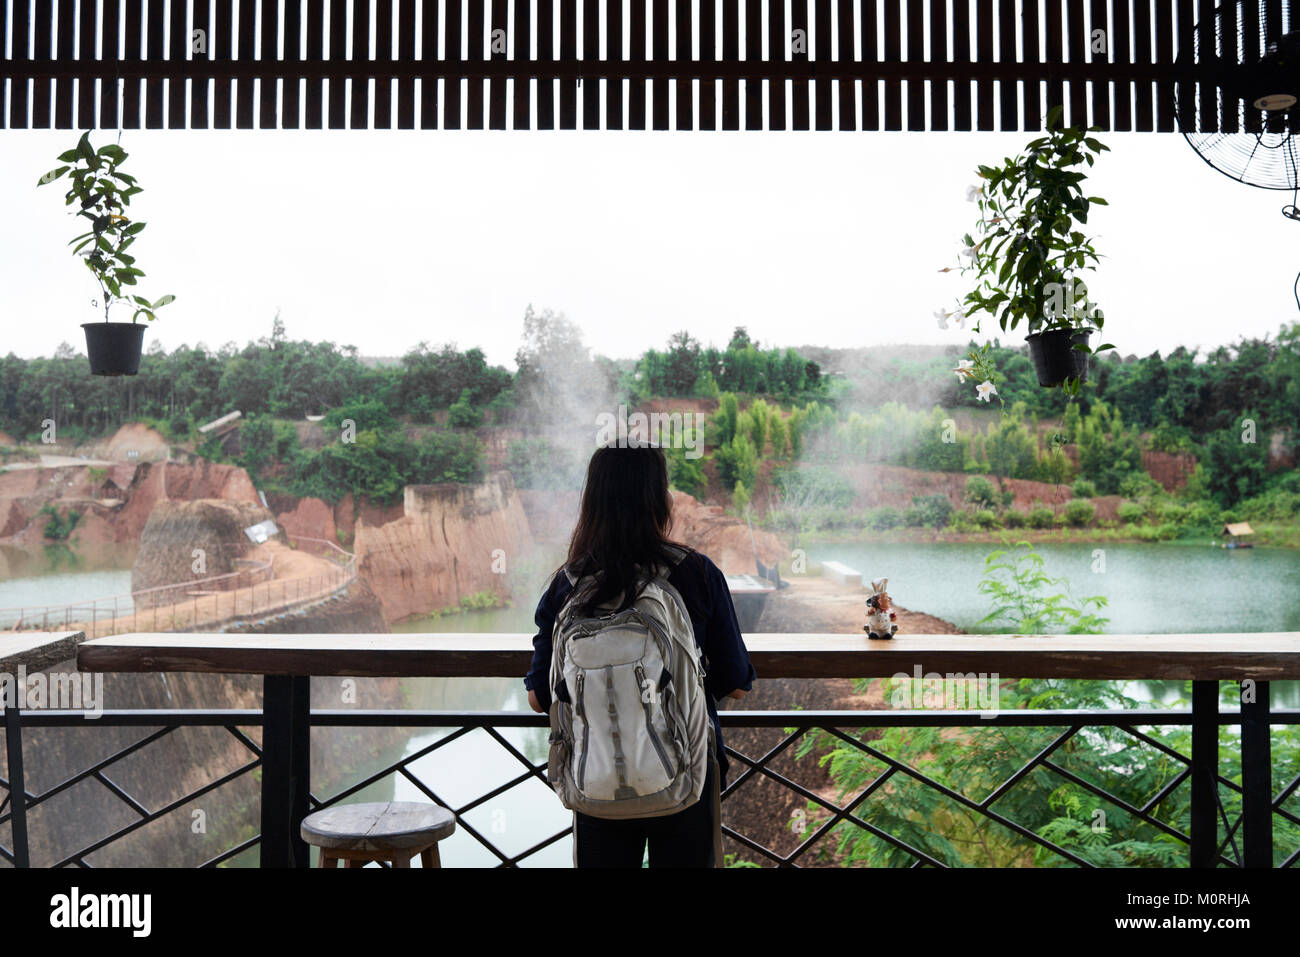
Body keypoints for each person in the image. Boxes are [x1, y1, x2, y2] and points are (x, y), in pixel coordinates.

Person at [525, 441, 756, 868]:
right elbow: (737, 683)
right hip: (687, 776)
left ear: (592, 502)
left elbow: (541, 698)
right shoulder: (696, 573)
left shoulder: (568, 584)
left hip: (596, 780)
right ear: (660, 501)